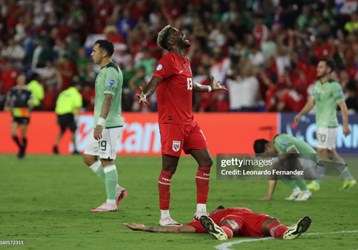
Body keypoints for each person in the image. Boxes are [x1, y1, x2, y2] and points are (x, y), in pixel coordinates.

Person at [137, 25, 226, 226]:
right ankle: (164, 216)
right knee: (169, 168)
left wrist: (210, 87)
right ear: (170, 41)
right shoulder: (167, 61)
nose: (182, 34)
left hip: (189, 122)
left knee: (206, 161)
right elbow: (154, 82)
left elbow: (190, 85)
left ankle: (200, 213)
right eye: (177, 33)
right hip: (172, 123)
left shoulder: (185, 62)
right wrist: (145, 94)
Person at [294, 58, 356, 191]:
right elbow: (311, 103)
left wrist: (346, 125)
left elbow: (343, 106)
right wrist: (300, 114)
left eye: (321, 67)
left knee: (320, 151)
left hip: (328, 124)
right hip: (321, 123)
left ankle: (316, 182)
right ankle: (349, 179)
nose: (317, 69)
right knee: (331, 153)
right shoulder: (317, 84)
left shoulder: (334, 86)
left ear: (328, 70)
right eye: (318, 67)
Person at [82, 40, 127, 212]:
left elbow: (108, 99)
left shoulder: (112, 72)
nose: (91, 54)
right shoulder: (103, 71)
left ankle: (110, 203)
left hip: (108, 124)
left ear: (104, 53)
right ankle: (116, 189)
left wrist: (100, 124)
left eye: (94, 51)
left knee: (107, 160)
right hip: (101, 123)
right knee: (88, 157)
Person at [124, 205, 311, 241]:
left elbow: (179, 229)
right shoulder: (212, 218)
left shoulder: (210, 218)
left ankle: (287, 232)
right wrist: (146, 228)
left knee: (272, 222)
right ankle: (222, 232)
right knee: (231, 223)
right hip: (234, 220)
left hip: (252, 217)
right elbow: (178, 229)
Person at [253, 134, 321, 201]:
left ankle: (306, 192)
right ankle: (297, 190)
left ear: (267, 146)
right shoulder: (276, 151)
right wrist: (269, 196)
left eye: (267, 154)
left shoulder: (280, 140)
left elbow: (293, 152)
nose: (268, 157)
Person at [4, 73, 34, 159]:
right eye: (20, 79)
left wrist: (29, 109)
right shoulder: (12, 90)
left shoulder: (28, 91)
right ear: (17, 80)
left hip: (24, 113)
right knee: (13, 134)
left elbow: (32, 103)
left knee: (23, 134)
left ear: (24, 80)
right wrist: (6, 107)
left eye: (22, 79)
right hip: (15, 113)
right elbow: (8, 101)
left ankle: (22, 152)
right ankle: (21, 148)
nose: (21, 80)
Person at [53, 82, 83, 155]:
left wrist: (57, 116)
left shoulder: (63, 93)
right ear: (77, 87)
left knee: (62, 130)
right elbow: (78, 106)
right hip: (68, 114)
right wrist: (78, 116)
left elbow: (57, 104)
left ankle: (55, 145)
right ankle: (75, 149)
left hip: (60, 114)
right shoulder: (76, 94)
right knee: (73, 130)